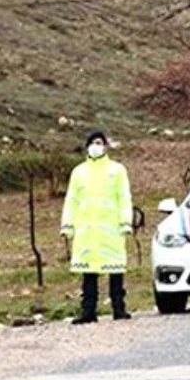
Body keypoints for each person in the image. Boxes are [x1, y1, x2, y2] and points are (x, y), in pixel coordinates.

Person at [60, 131, 133, 324]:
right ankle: (88, 312)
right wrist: (67, 225)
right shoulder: (79, 172)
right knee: (89, 273)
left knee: (115, 271)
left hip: (111, 230)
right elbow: (72, 200)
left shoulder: (117, 170)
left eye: (99, 142)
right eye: (92, 142)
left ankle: (119, 309)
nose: (95, 146)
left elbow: (124, 197)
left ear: (106, 146)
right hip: (87, 231)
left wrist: (126, 221)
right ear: (86, 146)